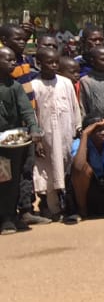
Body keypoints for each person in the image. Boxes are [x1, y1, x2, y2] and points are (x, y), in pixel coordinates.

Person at [31, 47, 80, 219]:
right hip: (46, 137)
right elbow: (33, 114)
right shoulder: (34, 86)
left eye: (56, 63)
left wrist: (77, 129)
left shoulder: (66, 83)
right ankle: (48, 207)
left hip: (66, 134)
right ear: (38, 64)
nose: (53, 66)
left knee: (65, 168)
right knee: (46, 171)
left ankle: (66, 204)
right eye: (49, 63)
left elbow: (75, 108)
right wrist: (36, 139)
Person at [0, 46, 44, 234]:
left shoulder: (15, 86)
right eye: (8, 60)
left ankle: (9, 216)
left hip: (11, 141)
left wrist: (34, 129)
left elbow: (26, 109)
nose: (13, 63)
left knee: (12, 179)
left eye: (14, 60)